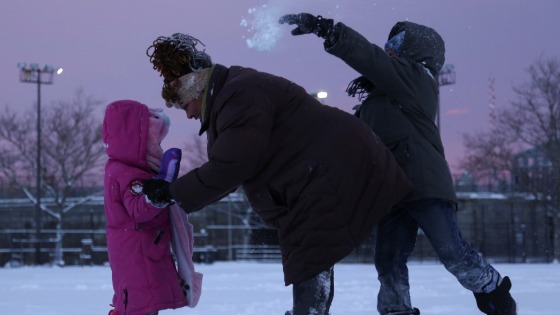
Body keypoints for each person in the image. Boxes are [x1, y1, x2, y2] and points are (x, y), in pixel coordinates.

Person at [141, 33, 413, 315]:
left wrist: (172, 193)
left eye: (184, 105)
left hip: (328, 172)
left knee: (311, 255)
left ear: (193, 87)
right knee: (313, 256)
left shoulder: (238, 95)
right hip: (322, 171)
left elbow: (231, 166)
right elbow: (234, 164)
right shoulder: (232, 92)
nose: (188, 115)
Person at [279, 13, 517, 315]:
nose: (390, 47)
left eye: (398, 42)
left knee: (452, 253)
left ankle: (490, 285)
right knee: (388, 260)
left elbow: (371, 59)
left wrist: (328, 29)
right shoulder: (376, 101)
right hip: (391, 189)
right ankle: (396, 309)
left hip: (423, 184)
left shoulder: (416, 80)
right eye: (389, 42)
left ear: (416, 51)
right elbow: (351, 141)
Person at [102, 100, 202, 315]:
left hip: (139, 255)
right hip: (139, 259)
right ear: (135, 139)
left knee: (139, 306)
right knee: (142, 307)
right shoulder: (128, 173)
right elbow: (139, 210)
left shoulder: (125, 169)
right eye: (154, 139)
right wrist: (159, 193)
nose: (158, 145)